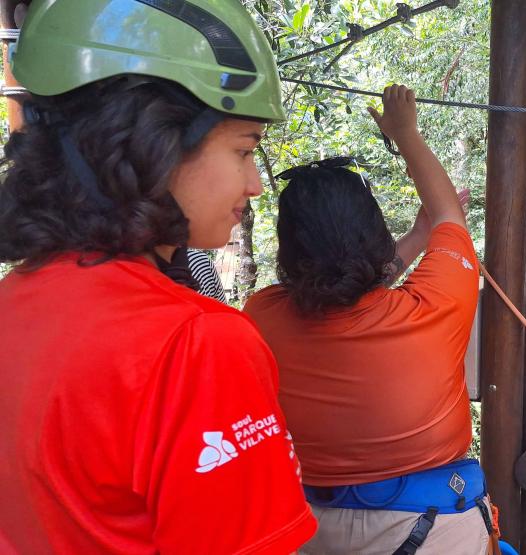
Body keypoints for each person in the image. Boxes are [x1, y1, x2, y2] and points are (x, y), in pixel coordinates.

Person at [0, 1, 317, 552]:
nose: (255, 184)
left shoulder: (13, 301)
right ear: (155, 143)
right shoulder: (196, 345)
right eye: (244, 150)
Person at [243, 85, 494, 555]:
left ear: (288, 248)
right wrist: (406, 133)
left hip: (311, 531)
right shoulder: (435, 307)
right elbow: (449, 215)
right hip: (431, 531)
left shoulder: (262, 316)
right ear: (374, 232)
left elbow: (342, 281)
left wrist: (419, 236)